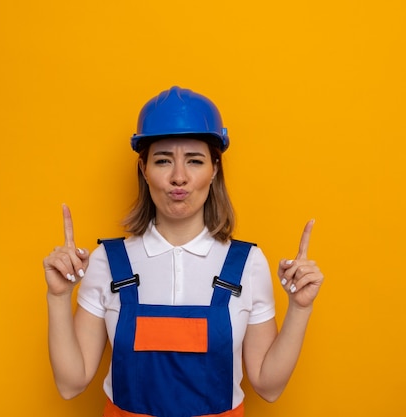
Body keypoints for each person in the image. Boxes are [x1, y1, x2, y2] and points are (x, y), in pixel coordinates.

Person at [43, 86, 324, 417]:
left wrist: (300, 308)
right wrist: (59, 297)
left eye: (195, 160)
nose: (179, 177)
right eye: (163, 160)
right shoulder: (108, 262)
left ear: (214, 170)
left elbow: (268, 385)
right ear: (144, 169)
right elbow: (70, 384)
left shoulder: (247, 264)